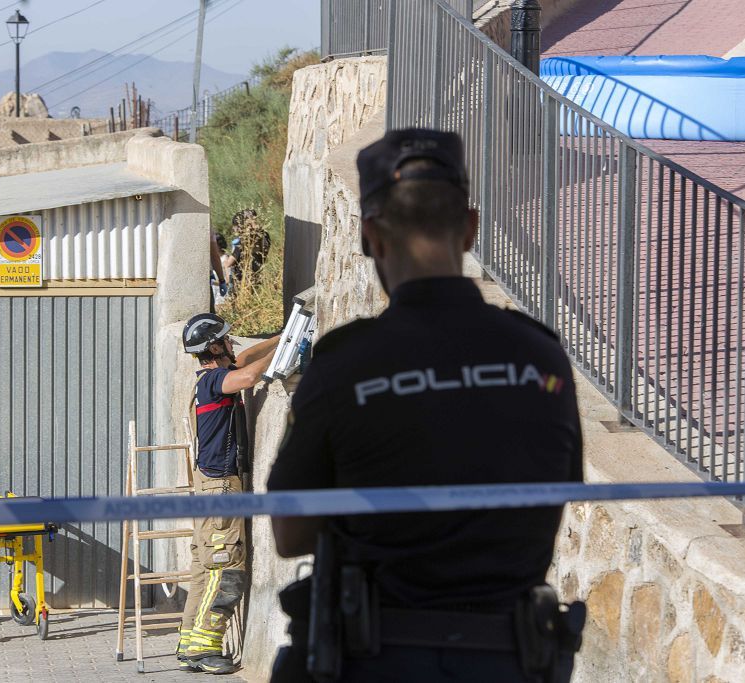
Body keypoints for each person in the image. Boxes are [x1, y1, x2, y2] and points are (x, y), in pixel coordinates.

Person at [266, 128, 585, 682]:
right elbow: (556, 498)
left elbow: (290, 534)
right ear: (470, 228)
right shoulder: (543, 360)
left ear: (370, 236)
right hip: (511, 661)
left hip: (375, 660)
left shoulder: (344, 365)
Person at [177, 312, 281, 675]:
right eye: (226, 339)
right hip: (221, 487)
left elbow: (246, 360)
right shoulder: (214, 381)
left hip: (211, 486)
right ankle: (207, 647)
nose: (233, 344)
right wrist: (288, 350)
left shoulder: (209, 377)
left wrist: (282, 336)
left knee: (204, 570)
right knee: (226, 568)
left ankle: (190, 641)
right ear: (214, 346)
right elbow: (250, 375)